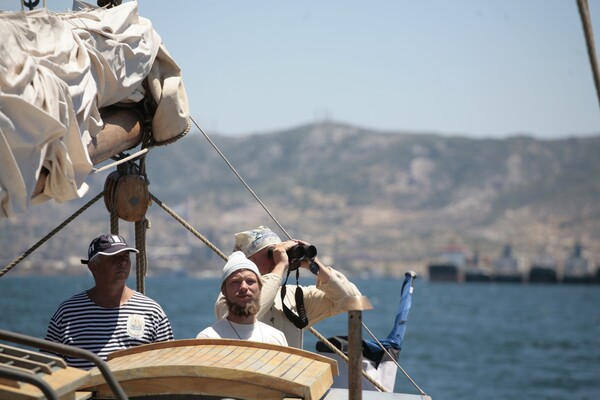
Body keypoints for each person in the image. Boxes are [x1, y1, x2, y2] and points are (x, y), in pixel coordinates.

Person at [215, 226, 361, 349]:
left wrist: (314, 264)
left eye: (280, 253)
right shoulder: (230, 299)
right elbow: (247, 315)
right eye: (270, 254)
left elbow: (353, 300)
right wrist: (280, 267)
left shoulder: (293, 297)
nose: (278, 258)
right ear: (248, 260)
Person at [44, 234, 174, 369]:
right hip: (84, 390)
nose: (123, 262)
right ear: (93, 267)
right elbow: (49, 366)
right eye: (114, 258)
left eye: (125, 257)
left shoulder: (152, 311)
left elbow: (168, 363)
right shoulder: (67, 313)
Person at [197, 251, 287, 346]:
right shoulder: (208, 338)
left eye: (250, 281)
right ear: (224, 291)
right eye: (236, 282)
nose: (244, 287)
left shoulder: (276, 337)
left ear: (260, 288)